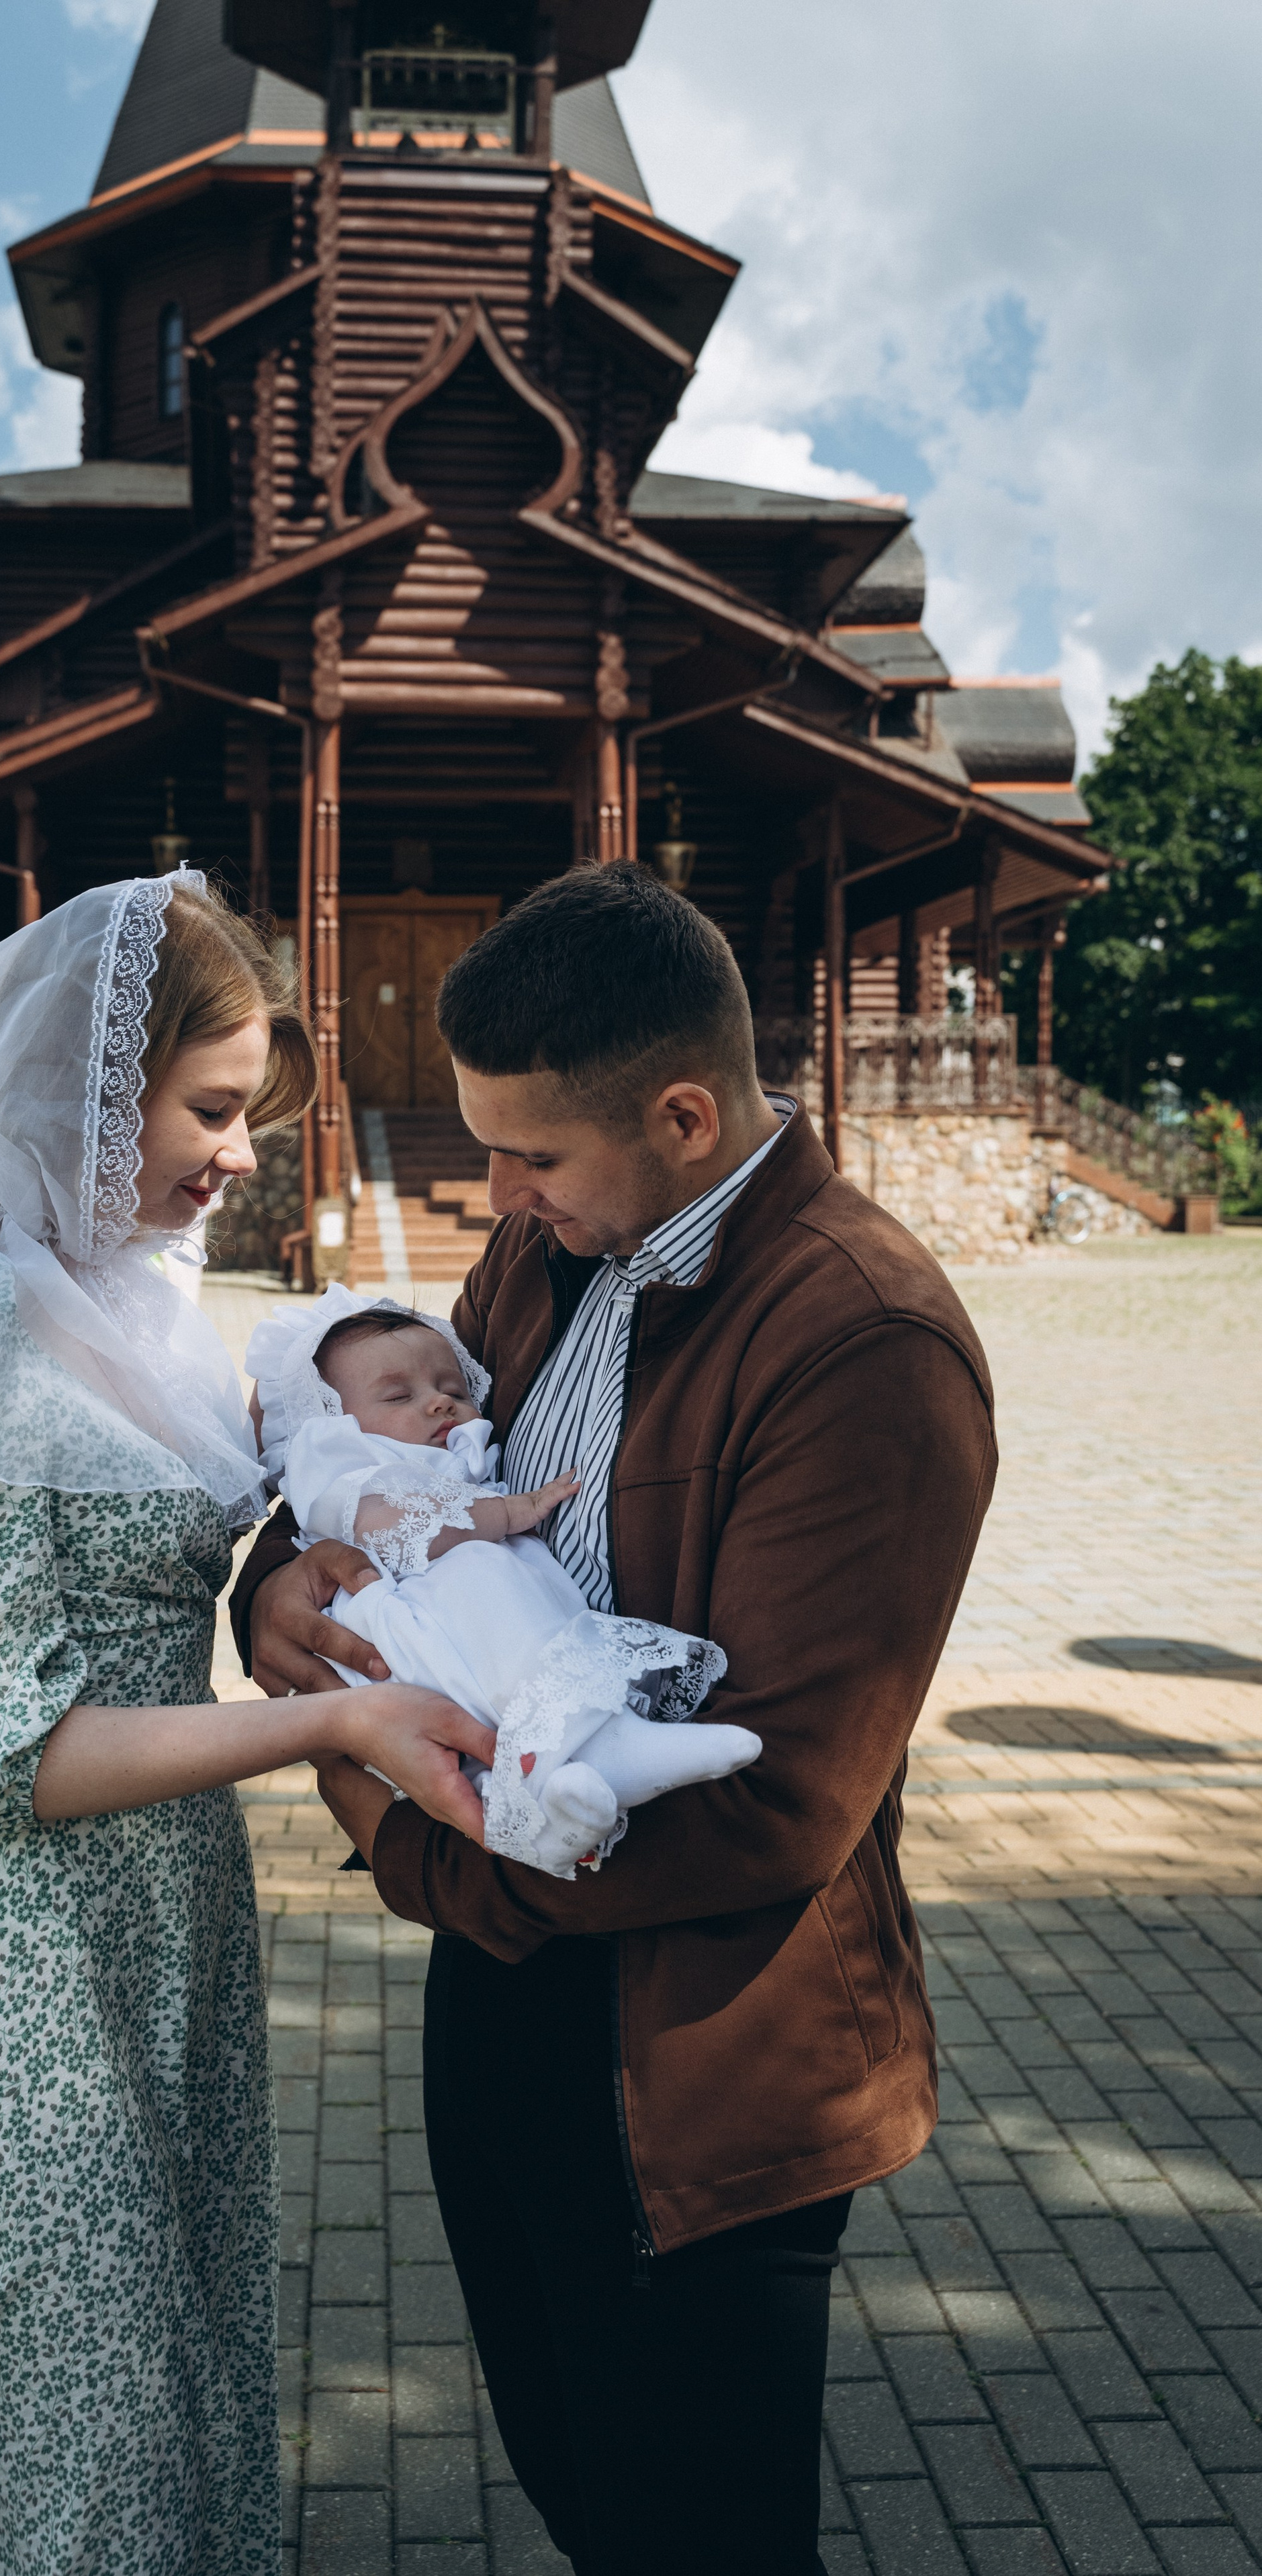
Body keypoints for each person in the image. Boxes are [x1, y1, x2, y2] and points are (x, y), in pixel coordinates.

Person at [232, 867, 997, 2576]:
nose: (485, 1190)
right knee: (580, 2492)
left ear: (679, 1110)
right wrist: (273, 1590)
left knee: (694, 2538)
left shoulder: (860, 1334)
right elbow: (387, 1478)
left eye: (528, 1155)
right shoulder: (541, 1247)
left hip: (708, 2053)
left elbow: (776, 1800)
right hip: (505, 1995)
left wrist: (409, 1837)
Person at [0, 871, 494, 2576]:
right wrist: (355, 1717)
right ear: (90, 1089)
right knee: (47, 2479)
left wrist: (305, 1570)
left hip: (169, 1932)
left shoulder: (138, 1294)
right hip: (18, 1975)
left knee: (154, 2434)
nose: (240, 1153)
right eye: (214, 1107)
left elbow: (202, 1542)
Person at [244, 1286, 758, 1875]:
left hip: (452, 1640)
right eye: (399, 1395)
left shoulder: (447, 1449)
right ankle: (609, 1746)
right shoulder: (341, 1465)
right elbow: (395, 1526)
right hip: (411, 1635)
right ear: (330, 1423)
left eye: (453, 1388)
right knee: (486, 1579)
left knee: (512, 1637)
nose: (439, 1402)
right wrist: (510, 1512)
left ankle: (555, 1814)